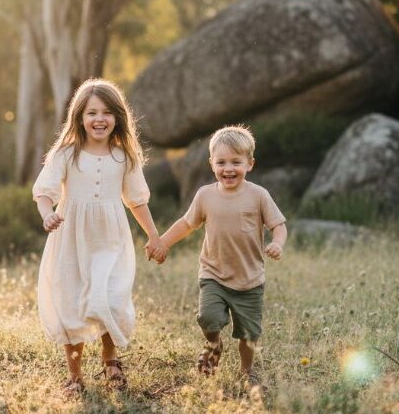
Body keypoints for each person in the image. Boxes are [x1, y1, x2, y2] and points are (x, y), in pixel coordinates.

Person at [33, 78, 165, 395]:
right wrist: (47, 214)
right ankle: (75, 376)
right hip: (70, 237)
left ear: (118, 117)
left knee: (108, 296)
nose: (99, 119)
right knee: (71, 302)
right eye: (92, 112)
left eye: (106, 112)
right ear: (79, 117)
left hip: (110, 238)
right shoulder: (65, 153)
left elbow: (136, 199)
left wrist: (153, 235)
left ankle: (110, 361)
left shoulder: (124, 156)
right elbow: (43, 193)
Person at [150, 125, 287, 388]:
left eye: (236, 162)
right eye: (221, 162)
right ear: (211, 163)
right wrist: (163, 241)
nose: (228, 169)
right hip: (213, 274)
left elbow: (278, 225)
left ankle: (247, 372)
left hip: (250, 280)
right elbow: (187, 224)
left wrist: (278, 243)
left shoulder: (258, 195)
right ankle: (214, 344)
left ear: (250, 164)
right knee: (208, 318)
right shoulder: (205, 195)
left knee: (249, 335)